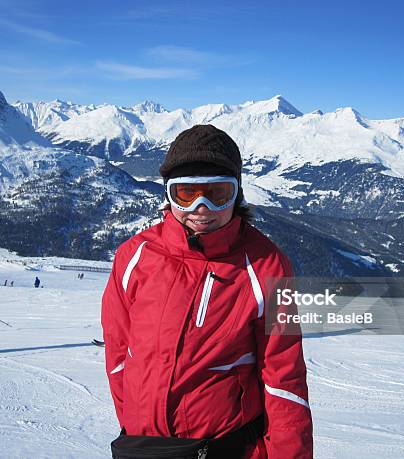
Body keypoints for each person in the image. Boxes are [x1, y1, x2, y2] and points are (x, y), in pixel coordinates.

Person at [102, 125, 313, 458]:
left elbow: (284, 378)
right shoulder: (135, 255)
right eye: (186, 194)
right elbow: (118, 353)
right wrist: (134, 422)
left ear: (237, 195)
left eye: (218, 195)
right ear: (168, 197)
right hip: (143, 447)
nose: (201, 208)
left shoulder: (268, 266)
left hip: (224, 449)